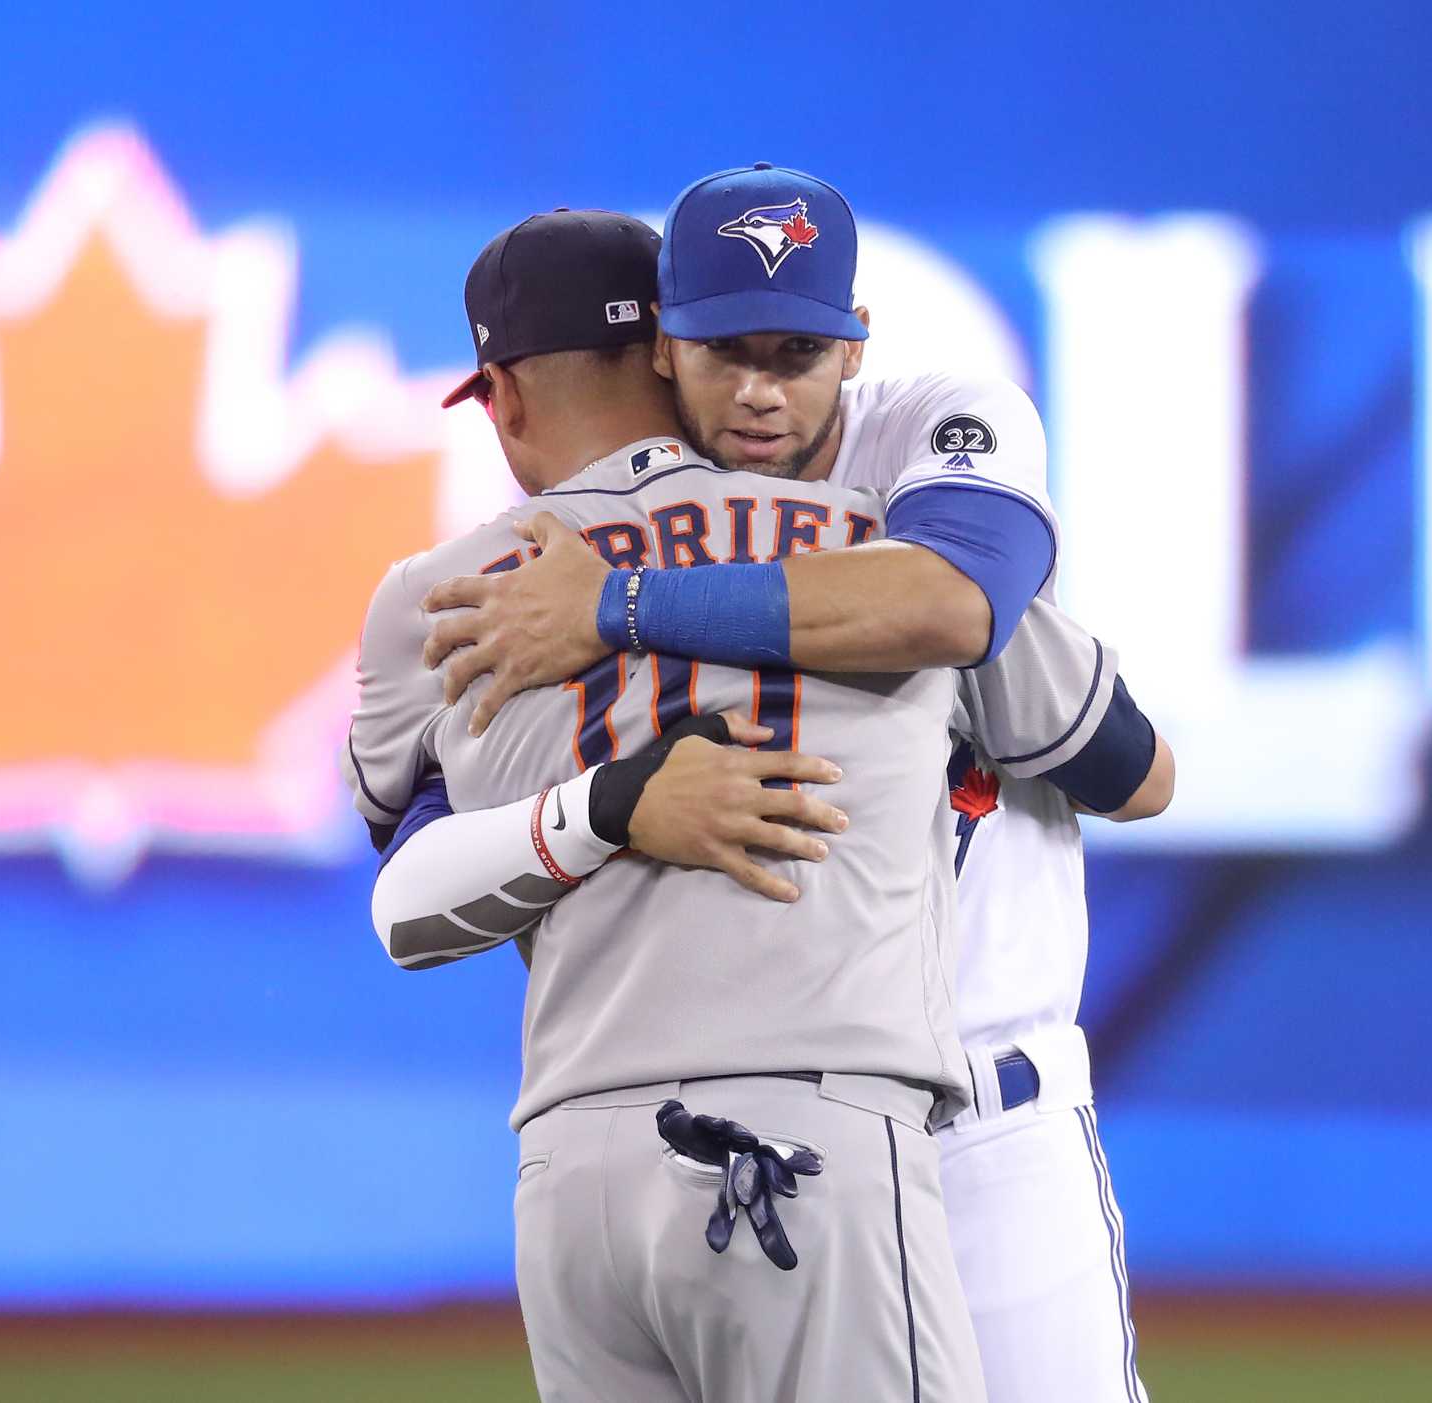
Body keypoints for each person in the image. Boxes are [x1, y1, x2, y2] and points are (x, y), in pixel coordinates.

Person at [413, 166, 1167, 1401]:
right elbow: (430, 871)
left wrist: (622, 607)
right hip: (766, 1121)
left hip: (987, 1105)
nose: (760, 389)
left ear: (853, 348)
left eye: (798, 351)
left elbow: (981, 630)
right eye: (724, 350)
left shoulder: (927, 443)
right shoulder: (561, 547)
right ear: (664, 348)